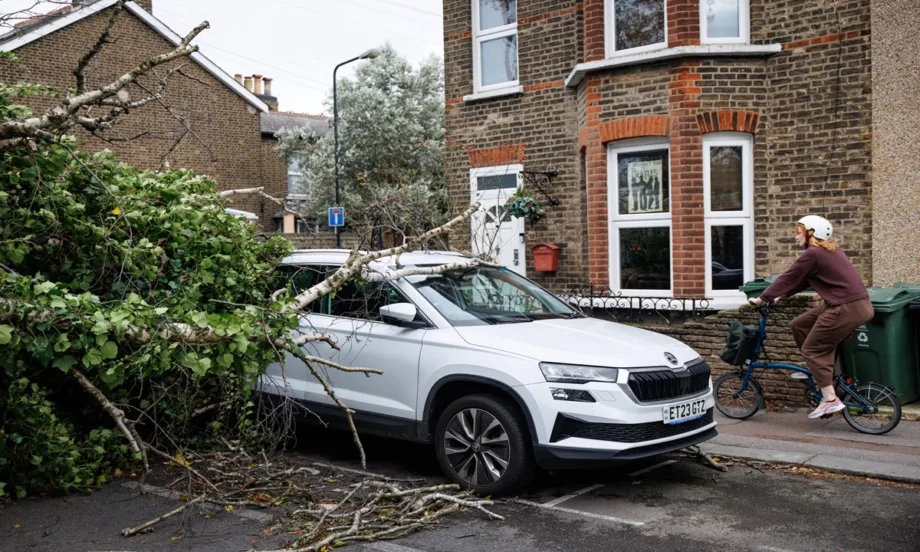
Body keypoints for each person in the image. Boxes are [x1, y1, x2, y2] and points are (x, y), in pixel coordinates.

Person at [749, 215, 873, 419]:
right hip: (857, 305)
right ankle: (816, 371)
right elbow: (800, 281)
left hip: (844, 307)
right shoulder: (829, 251)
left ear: (811, 233)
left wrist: (762, 298)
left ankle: (830, 400)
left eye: (798, 231)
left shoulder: (813, 254)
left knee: (812, 349)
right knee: (799, 325)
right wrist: (780, 297)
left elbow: (789, 276)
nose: (796, 236)